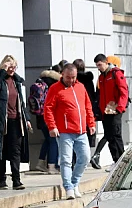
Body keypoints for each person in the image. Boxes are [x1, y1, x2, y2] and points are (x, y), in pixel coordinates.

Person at [44, 63, 96, 199]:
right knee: (66, 161)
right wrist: (52, 126)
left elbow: (87, 106)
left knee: (85, 158)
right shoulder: (55, 89)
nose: (71, 80)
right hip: (64, 131)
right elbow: (48, 108)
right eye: (68, 77)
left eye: (73, 77)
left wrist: (91, 123)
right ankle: (68, 187)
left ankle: (74, 182)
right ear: (62, 75)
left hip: (81, 130)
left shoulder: (80, 87)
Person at [0, 55, 32, 190]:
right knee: (1, 151)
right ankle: (1, 180)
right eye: (9, 66)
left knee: (15, 150)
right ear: (4, 66)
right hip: (0, 121)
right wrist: (1, 71)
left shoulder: (16, 81)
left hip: (16, 120)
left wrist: (26, 119)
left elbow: (21, 102)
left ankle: (16, 180)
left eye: (14, 66)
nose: (12, 69)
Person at [94, 53, 129, 165]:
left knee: (116, 135)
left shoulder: (115, 73)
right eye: (97, 66)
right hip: (106, 110)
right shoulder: (101, 77)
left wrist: (120, 107)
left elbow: (124, 91)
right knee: (109, 136)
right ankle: (116, 161)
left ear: (106, 63)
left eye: (100, 65)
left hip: (115, 109)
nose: (99, 68)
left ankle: (122, 161)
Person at [31, 66, 62, 173]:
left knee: (48, 140)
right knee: (53, 140)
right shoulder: (54, 83)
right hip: (49, 117)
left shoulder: (40, 82)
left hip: (39, 117)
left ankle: (41, 162)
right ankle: (52, 166)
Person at [73, 59, 100, 149]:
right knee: (87, 136)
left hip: (76, 110)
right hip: (88, 109)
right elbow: (92, 95)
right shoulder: (89, 80)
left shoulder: (74, 81)